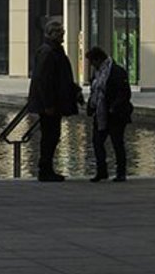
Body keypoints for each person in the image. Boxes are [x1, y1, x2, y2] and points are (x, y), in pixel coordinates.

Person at [27, 18, 82, 182]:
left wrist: (74, 92)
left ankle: (47, 168)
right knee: (50, 136)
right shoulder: (49, 52)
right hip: (51, 104)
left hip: (54, 102)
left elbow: (60, 78)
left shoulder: (53, 51)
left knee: (52, 135)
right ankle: (45, 169)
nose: (62, 36)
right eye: (59, 33)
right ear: (51, 34)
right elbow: (43, 80)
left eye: (62, 33)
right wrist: (48, 104)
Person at [87, 45, 133, 182]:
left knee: (117, 142)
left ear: (98, 59)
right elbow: (95, 92)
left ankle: (121, 173)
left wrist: (114, 106)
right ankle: (102, 171)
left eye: (92, 62)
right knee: (97, 142)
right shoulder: (98, 73)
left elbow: (124, 92)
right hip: (100, 113)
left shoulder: (117, 71)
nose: (91, 65)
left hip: (115, 114)